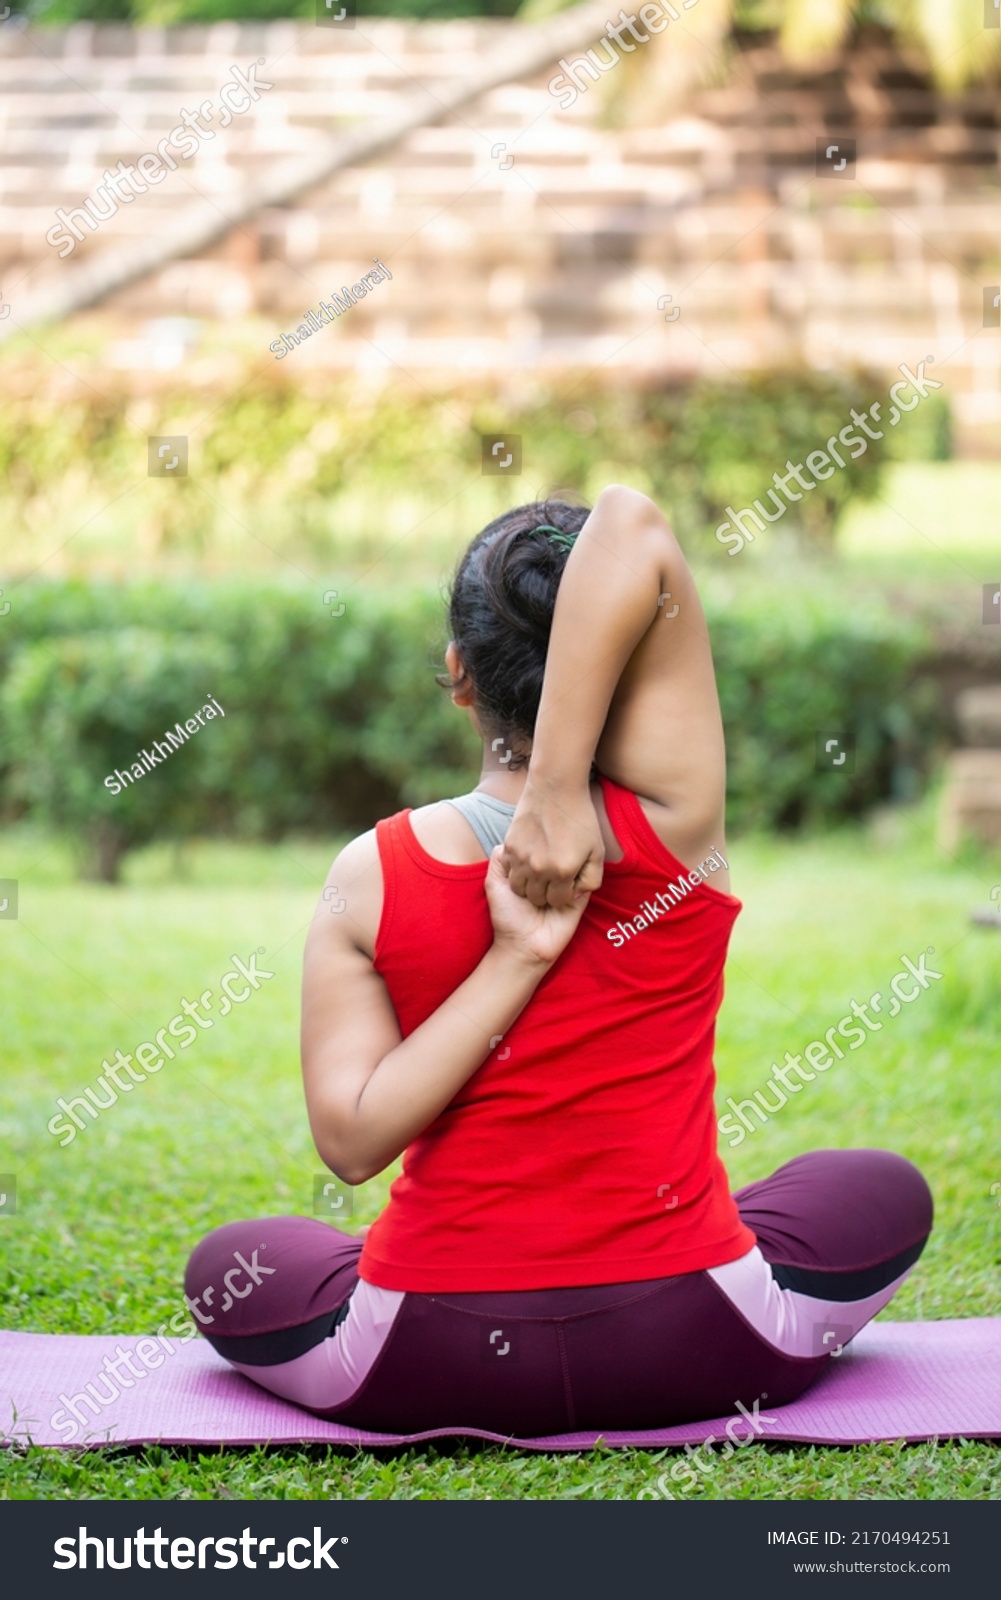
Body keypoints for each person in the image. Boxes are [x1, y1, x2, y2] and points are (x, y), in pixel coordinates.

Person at [184, 485, 932, 1435]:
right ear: (625, 663)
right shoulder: (675, 823)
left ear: (459, 674)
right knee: (876, 1187)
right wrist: (518, 950)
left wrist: (534, 850)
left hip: (425, 1348)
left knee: (232, 1263)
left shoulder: (368, 873)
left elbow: (353, 1142)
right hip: (694, 1336)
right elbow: (633, 520)